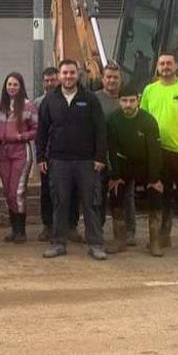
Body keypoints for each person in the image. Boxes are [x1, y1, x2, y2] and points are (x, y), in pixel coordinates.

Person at [37, 59, 108, 260]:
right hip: (59, 161)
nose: (68, 76)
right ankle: (58, 243)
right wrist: (41, 156)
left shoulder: (90, 99)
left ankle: (95, 244)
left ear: (78, 75)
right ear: (59, 76)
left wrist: (100, 156)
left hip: (86, 161)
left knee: (91, 203)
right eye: (65, 73)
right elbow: (41, 130)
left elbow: (101, 130)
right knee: (60, 202)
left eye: (72, 73)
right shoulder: (49, 100)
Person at [140, 52, 178, 254]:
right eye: (162, 63)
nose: (165, 66)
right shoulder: (150, 90)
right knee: (159, 195)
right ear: (157, 67)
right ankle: (162, 237)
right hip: (158, 153)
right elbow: (144, 120)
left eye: (169, 63)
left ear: (176, 66)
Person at [106, 86, 164, 255]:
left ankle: (154, 243)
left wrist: (154, 179)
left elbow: (155, 151)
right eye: (124, 101)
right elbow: (111, 150)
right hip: (123, 163)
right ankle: (119, 240)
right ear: (119, 101)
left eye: (132, 100)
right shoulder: (112, 120)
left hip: (145, 163)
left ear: (138, 100)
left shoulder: (149, 121)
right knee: (115, 194)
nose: (128, 104)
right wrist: (115, 176)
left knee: (155, 194)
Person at [34, 65, 78, 243]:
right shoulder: (39, 103)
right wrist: (41, 156)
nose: (50, 83)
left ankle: (71, 226)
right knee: (47, 192)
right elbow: (40, 132)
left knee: (73, 191)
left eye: (53, 80)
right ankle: (48, 226)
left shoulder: (75, 99)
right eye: (47, 80)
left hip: (72, 155)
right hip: (50, 155)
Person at [0, 72, 37, 243]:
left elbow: (37, 129)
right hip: (3, 153)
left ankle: (21, 231)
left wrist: (21, 136)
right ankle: (13, 228)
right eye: (9, 84)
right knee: (7, 192)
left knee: (17, 191)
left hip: (20, 152)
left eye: (15, 85)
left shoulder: (29, 107)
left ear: (21, 87)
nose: (12, 87)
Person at [93, 63, 130, 244]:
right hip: (99, 157)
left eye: (115, 77)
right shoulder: (95, 99)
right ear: (102, 78)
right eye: (108, 77)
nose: (112, 80)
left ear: (120, 79)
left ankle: (127, 233)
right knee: (98, 195)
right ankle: (96, 231)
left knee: (125, 196)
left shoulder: (127, 99)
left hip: (124, 158)